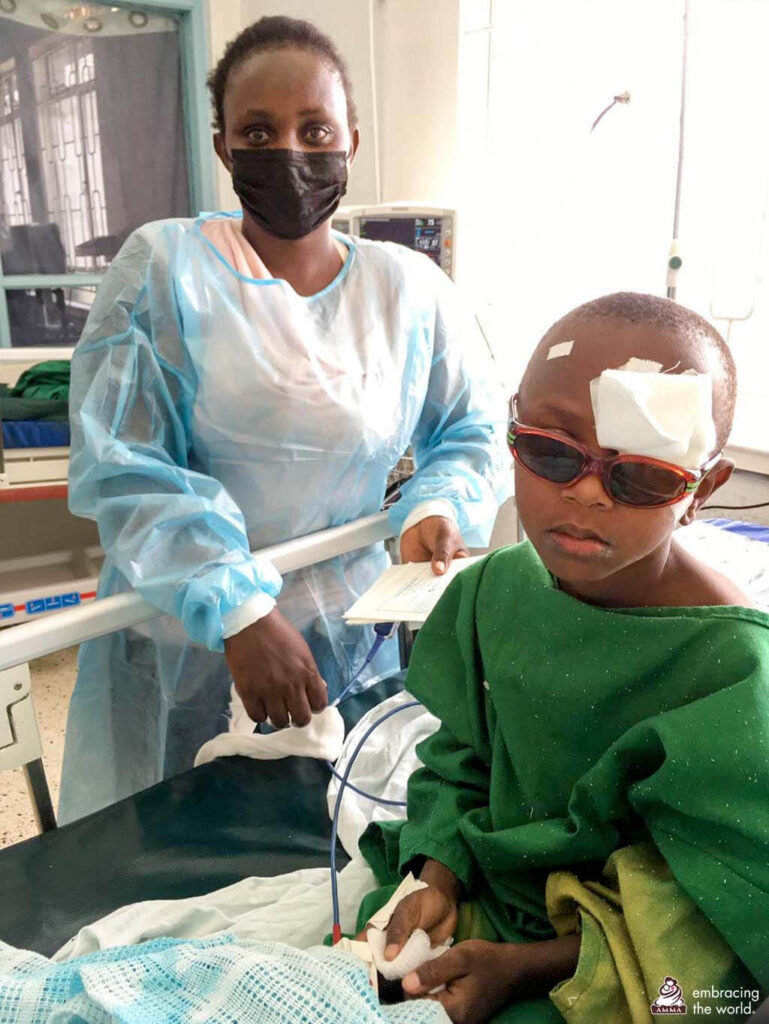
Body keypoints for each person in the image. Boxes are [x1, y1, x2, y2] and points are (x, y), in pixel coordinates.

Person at [59, 16, 507, 823]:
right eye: (259, 132)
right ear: (224, 147)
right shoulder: (165, 271)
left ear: (351, 141)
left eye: (315, 129)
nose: (290, 153)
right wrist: (236, 610)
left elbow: (470, 430)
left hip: (346, 630)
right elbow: (128, 466)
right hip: (187, 643)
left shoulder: (409, 290)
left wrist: (433, 507)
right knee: (175, 849)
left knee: (327, 847)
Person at [355, 292, 769, 1023]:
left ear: (700, 491)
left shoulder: (730, 669)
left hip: (625, 960)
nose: (583, 493)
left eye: (638, 475)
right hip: (490, 895)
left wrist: (525, 969)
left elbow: (717, 903)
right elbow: (465, 760)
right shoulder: (495, 588)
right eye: (551, 451)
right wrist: (437, 872)